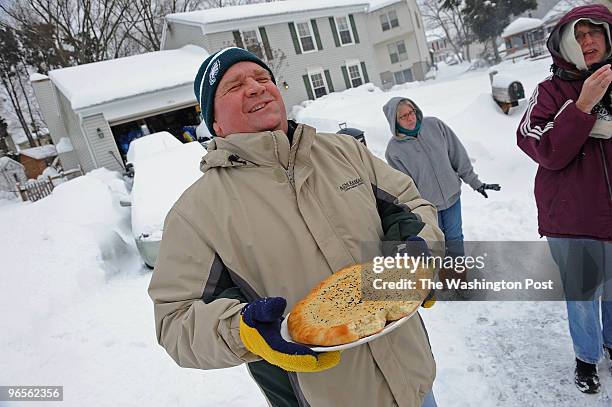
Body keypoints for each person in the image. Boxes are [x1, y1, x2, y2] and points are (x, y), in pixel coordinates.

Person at [148, 47, 444, 407]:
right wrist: (244, 331)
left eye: (262, 78)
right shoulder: (196, 213)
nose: (256, 88)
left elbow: (412, 206)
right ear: (216, 123)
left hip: (415, 381)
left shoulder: (345, 153)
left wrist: (418, 253)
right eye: (235, 86)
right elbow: (175, 321)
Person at [516, 4, 612, 395]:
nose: (588, 40)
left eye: (595, 32)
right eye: (579, 34)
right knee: (583, 295)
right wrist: (583, 106)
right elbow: (543, 149)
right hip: (572, 218)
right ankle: (586, 358)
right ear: (564, 44)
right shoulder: (549, 92)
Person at [383, 98, 500, 262]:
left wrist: (475, 183)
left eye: (411, 112)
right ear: (394, 122)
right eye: (403, 116)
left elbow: (457, 156)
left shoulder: (435, 126)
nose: (410, 118)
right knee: (438, 244)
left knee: (455, 238)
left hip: (452, 197)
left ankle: (459, 278)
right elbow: (405, 187)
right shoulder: (394, 151)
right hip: (428, 208)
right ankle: (446, 278)